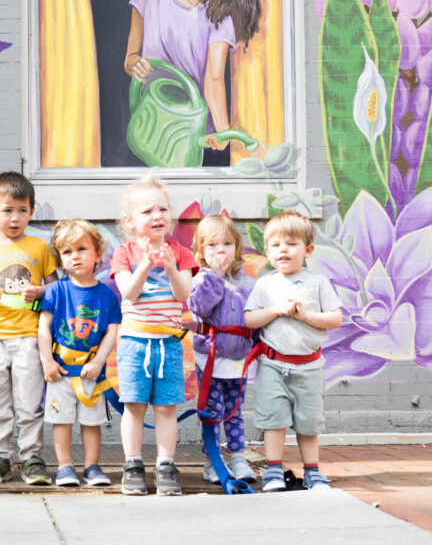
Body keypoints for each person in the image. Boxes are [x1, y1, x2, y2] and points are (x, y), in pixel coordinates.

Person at [124, 0, 261, 165]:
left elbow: (214, 78)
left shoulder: (221, 16)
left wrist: (222, 130)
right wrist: (136, 65)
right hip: (152, 118)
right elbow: (129, 59)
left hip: (192, 132)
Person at [0, 171, 58, 485]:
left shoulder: (40, 248)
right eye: (7, 210)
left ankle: (32, 457)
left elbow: (55, 288)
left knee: (30, 401)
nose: (15, 218)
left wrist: (40, 292)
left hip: (30, 337)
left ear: (31, 212)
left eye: (22, 210)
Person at [244, 211, 342, 491]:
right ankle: (273, 470)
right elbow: (250, 319)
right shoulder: (265, 284)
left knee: (309, 424)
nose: (282, 250)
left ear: (308, 250)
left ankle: (312, 471)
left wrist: (305, 316)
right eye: (275, 245)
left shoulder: (318, 283)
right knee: (273, 420)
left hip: (310, 368)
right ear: (267, 250)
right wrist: (275, 310)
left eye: (291, 244)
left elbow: (335, 319)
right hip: (273, 366)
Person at [110, 176, 196, 495]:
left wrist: (172, 268)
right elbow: (129, 294)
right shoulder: (124, 253)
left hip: (169, 344)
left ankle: (165, 465)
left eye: (163, 208)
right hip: (134, 343)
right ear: (129, 221)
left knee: (166, 408)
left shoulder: (181, 253)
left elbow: (183, 293)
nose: (157, 215)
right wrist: (145, 264)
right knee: (134, 406)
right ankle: (132, 464)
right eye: (147, 211)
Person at [38, 220, 121, 487]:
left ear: (98, 253)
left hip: (91, 373)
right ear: (60, 259)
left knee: (91, 422)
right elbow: (43, 328)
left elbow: (111, 331)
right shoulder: (55, 290)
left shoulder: (106, 294)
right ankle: (64, 466)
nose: (75, 256)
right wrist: (47, 361)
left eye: (82, 249)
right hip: (60, 372)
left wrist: (99, 362)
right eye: (67, 251)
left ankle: (92, 467)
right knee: (61, 421)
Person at [187, 215, 256, 484]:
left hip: (239, 357)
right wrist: (215, 276)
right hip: (211, 357)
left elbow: (253, 315)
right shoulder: (201, 279)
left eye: (227, 244)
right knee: (212, 411)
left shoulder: (245, 282)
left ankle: (238, 457)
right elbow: (200, 308)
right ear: (201, 252)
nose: (220, 250)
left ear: (236, 248)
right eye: (212, 245)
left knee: (234, 410)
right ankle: (212, 461)